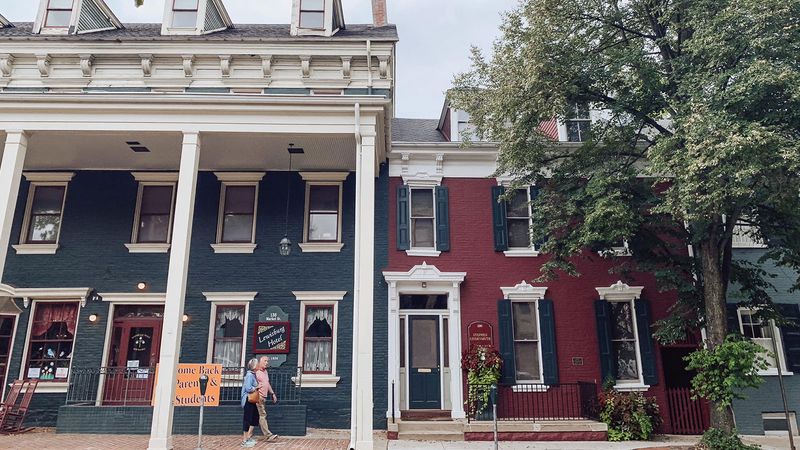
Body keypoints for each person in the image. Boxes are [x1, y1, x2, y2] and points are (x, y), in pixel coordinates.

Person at [256, 356, 279, 441]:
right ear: (260, 361)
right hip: (258, 397)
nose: (267, 363)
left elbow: (267, 383)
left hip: (264, 397)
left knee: (258, 416)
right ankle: (268, 435)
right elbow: (251, 383)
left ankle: (249, 435)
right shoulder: (256, 371)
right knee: (263, 415)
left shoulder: (265, 372)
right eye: (265, 361)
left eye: (267, 361)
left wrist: (272, 393)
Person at [240, 358, 260, 448]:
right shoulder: (249, 375)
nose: (259, 365)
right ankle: (244, 440)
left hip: (252, 400)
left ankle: (248, 437)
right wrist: (257, 387)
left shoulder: (253, 374)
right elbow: (248, 388)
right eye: (258, 364)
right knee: (247, 419)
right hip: (248, 400)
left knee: (255, 417)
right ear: (255, 366)